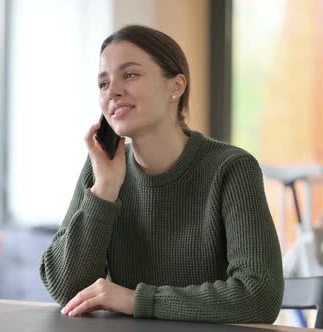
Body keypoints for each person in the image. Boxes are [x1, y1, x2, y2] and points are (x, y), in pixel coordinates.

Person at [39, 24, 283, 323]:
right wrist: (104, 190)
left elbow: (259, 296)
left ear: (176, 86)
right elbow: (67, 290)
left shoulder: (231, 168)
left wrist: (136, 300)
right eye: (103, 83)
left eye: (130, 75)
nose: (112, 91)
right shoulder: (100, 170)